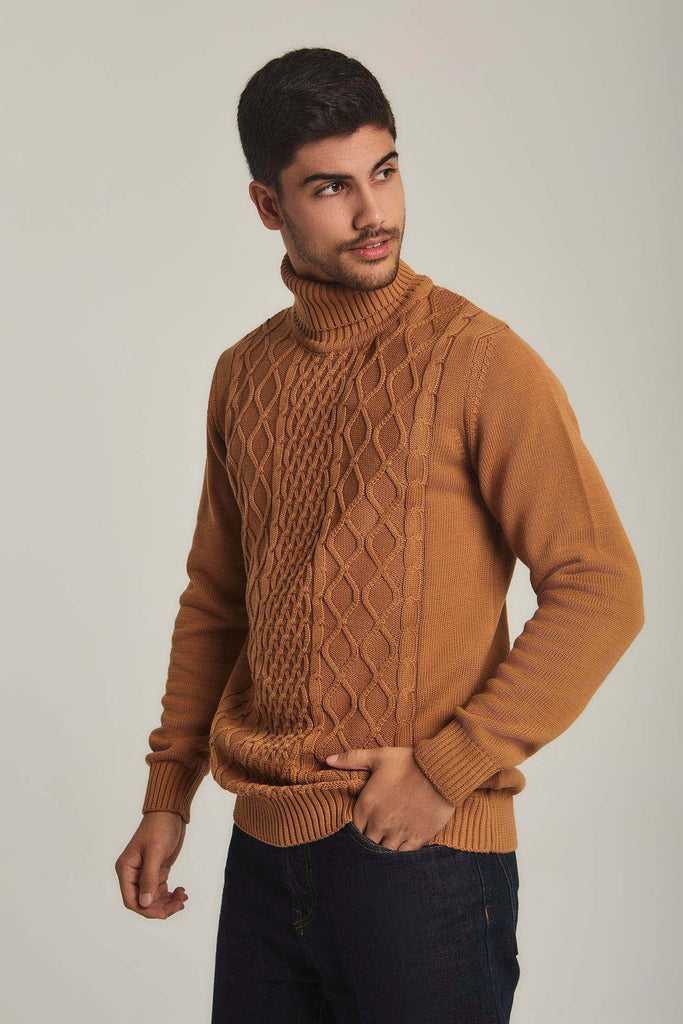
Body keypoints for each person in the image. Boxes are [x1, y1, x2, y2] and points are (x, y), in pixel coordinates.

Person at [115, 46, 645, 1023]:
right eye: (331, 187)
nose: (373, 213)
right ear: (267, 205)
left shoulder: (477, 360)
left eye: (385, 171)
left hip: (423, 858)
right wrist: (167, 794)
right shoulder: (243, 373)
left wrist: (448, 769)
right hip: (263, 851)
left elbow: (600, 585)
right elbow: (219, 600)